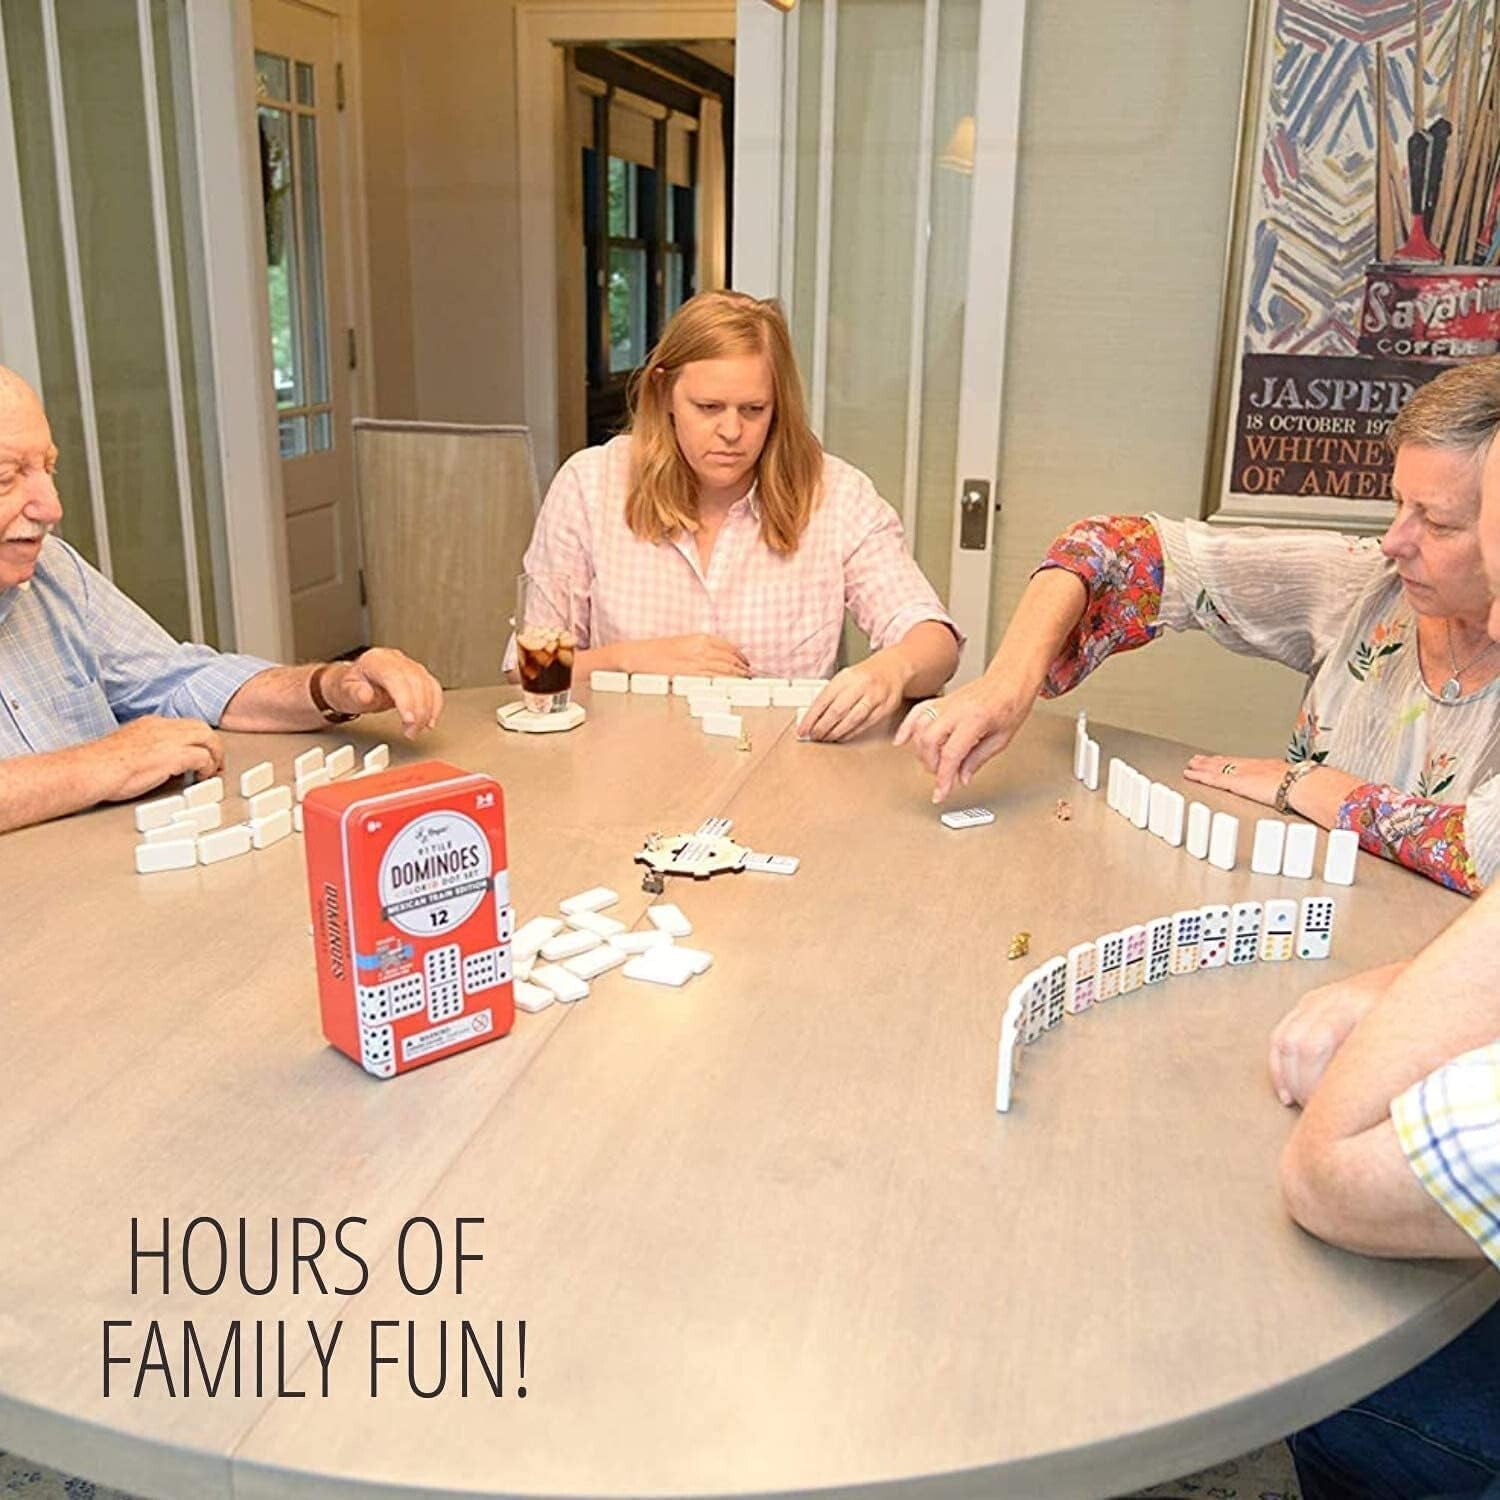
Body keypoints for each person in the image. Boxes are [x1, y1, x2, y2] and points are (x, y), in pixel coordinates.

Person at [898, 358, 1500, 893]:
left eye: (1437, 523)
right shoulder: (1363, 584)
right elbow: (1115, 547)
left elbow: (1481, 850)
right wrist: (1007, 683)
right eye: (1396, 503)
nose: (1395, 541)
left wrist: (1308, 787)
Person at [1269, 427, 1500, 1498]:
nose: (1490, 611)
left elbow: (1334, 1173)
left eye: (1472, 531)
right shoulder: (1368, 590)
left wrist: (1325, 796)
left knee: (1346, 1382)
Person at [0, 367, 444, 833]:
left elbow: (178, 681)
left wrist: (334, 686)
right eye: (7, 478)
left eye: (48, 468)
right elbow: (115, 760)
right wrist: (101, 764)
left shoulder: (55, 570)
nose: (51, 507)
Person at [516, 290, 960, 742]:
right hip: (622, 768)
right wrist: (632, 659)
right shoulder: (590, 485)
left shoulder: (837, 495)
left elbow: (935, 642)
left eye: (753, 410)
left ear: (778, 406)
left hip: (783, 774)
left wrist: (891, 670)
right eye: (708, 408)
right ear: (664, 391)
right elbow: (525, 670)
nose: (731, 432)